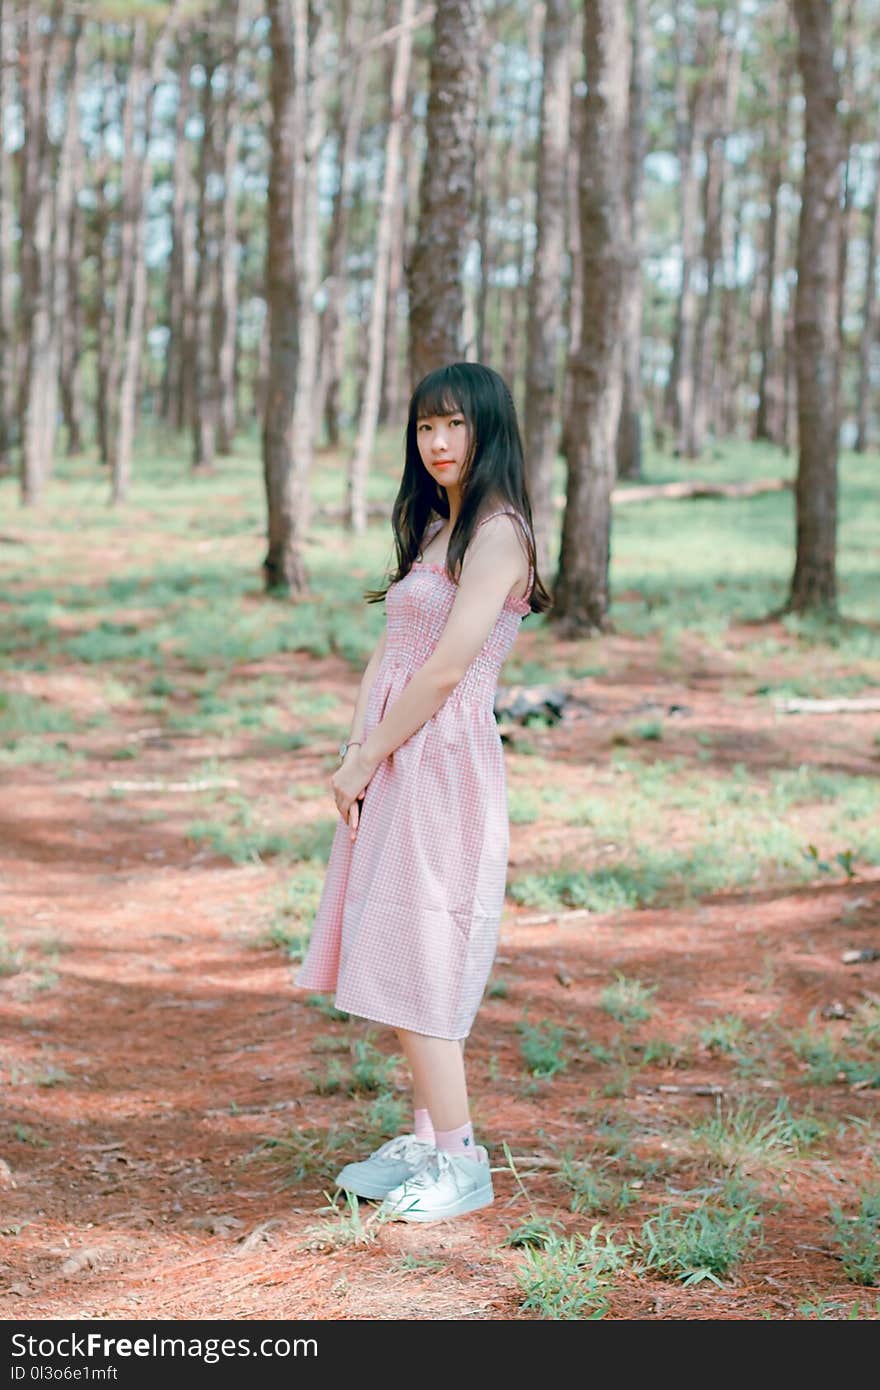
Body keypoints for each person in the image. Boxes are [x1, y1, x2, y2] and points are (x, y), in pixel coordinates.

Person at [295, 361, 552, 1223]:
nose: (438, 443)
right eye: (424, 428)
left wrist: (371, 759)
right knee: (391, 938)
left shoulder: (500, 533)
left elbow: (445, 668)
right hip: (395, 750)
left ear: (489, 431)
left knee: (422, 949)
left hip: (439, 763)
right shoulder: (440, 526)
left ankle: (460, 1159)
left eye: (454, 426)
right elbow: (392, 646)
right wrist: (357, 744)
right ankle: (423, 1134)